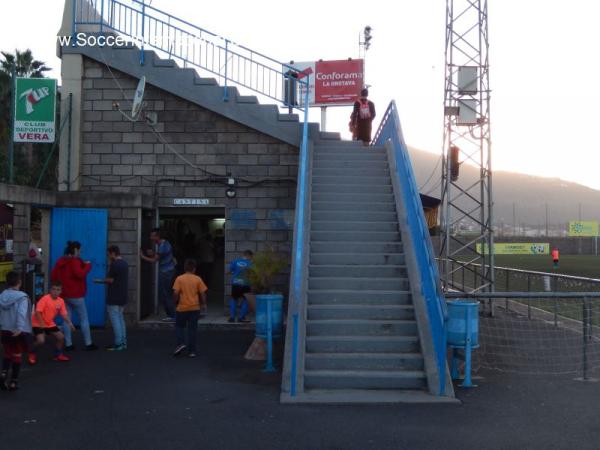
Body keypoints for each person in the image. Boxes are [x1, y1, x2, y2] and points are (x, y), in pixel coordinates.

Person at [50, 241, 98, 351]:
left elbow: (53, 276)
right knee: (84, 319)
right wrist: (88, 265)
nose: (81, 252)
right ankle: (88, 343)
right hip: (76, 295)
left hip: (64, 295)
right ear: (75, 250)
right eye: (80, 250)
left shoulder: (60, 261)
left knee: (67, 319)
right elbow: (80, 274)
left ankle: (68, 344)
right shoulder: (74, 261)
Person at [29, 280, 75, 364]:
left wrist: (70, 323)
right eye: (54, 289)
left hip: (49, 323)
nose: (55, 292)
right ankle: (32, 352)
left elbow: (64, 314)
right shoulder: (45, 299)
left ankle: (58, 355)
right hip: (37, 323)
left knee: (61, 337)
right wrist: (42, 325)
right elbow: (37, 312)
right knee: (41, 341)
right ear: (50, 290)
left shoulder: (61, 301)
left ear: (61, 291)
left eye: (58, 290)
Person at [0, 271, 32, 391]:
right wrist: (19, 328)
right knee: (17, 354)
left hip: (5, 328)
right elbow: (21, 313)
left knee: (7, 353)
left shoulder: (2, 296)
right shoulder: (22, 297)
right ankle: (14, 381)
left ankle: (3, 374)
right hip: (16, 330)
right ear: (20, 282)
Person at [94, 245, 129, 351]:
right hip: (122, 295)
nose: (108, 256)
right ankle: (123, 342)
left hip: (114, 296)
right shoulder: (125, 263)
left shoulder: (115, 265)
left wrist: (98, 281)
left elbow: (110, 280)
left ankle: (118, 344)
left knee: (115, 321)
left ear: (113, 253)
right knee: (121, 319)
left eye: (109, 254)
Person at [172, 259, 208, 358]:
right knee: (192, 329)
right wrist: (204, 304)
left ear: (184, 268)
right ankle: (192, 351)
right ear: (194, 269)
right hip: (194, 308)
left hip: (182, 308)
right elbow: (202, 293)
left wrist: (175, 302)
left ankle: (180, 343)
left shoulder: (179, 278)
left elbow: (175, 293)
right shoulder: (198, 279)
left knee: (179, 327)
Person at [140, 228, 176, 321]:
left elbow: (154, 260)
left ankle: (172, 315)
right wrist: (153, 254)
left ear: (157, 236)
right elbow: (159, 257)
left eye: (152, 236)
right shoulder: (163, 244)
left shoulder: (162, 245)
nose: (150, 237)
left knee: (165, 293)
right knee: (165, 293)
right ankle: (171, 314)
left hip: (166, 272)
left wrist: (142, 256)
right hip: (168, 270)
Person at [228, 250, 253, 323]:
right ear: (249, 255)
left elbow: (231, 270)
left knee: (234, 299)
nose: (251, 258)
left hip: (236, 283)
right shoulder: (250, 263)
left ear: (243, 254)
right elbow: (252, 273)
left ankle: (232, 318)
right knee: (247, 300)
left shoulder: (235, 261)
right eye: (251, 257)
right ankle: (241, 317)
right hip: (245, 284)